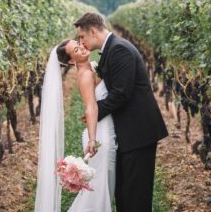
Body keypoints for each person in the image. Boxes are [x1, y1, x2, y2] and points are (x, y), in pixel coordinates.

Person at [74, 12, 168, 212]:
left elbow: (120, 94)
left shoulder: (119, 50)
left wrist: (95, 114)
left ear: (92, 31)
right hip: (129, 131)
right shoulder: (112, 49)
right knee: (125, 192)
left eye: (82, 36)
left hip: (139, 132)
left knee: (136, 194)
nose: (80, 41)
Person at [34, 38, 117, 212]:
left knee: (104, 185)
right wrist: (93, 139)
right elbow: (90, 107)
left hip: (105, 128)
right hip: (99, 133)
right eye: (77, 50)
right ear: (72, 60)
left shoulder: (91, 68)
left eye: (79, 44)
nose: (82, 48)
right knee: (99, 188)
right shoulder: (85, 75)